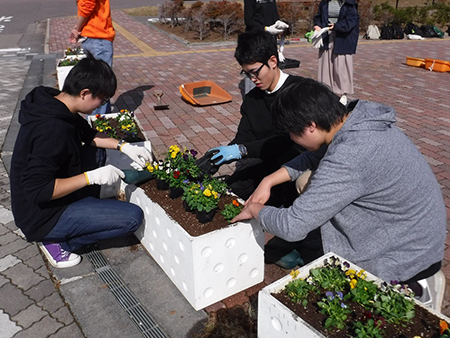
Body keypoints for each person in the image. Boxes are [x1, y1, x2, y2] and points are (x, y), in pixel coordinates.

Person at [232, 78, 446, 286]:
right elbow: (314, 155)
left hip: (407, 256)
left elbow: (292, 226)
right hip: (412, 228)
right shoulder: (353, 120)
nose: (291, 138)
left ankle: (415, 289)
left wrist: (255, 209)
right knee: (309, 184)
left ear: (311, 126)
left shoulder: (351, 154)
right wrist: (268, 181)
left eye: (291, 132)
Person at [10, 53, 152, 268]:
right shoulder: (52, 131)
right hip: (42, 214)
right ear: (85, 93)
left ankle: (84, 207)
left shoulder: (56, 103)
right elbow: (39, 190)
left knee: (98, 153)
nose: (101, 105)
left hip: (53, 189)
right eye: (101, 99)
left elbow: (89, 136)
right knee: (132, 218)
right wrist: (91, 177)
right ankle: (55, 241)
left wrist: (124, 146)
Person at [199, 30, 303, 208]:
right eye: (247, 74)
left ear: (272, 61)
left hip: (295, 165)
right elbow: (244, 136)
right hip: (264, 160)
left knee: (280, 204)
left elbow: (285, 139)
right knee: (229, 192)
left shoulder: (298, 91)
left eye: (255, 72)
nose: (253, 79)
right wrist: (222, 155)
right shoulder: (253, 98)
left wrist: (242, 150)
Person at [69, 0, 115, 115]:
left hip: (96, 36)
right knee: (99, 83)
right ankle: (99, 122)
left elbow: (87, 5)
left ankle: (96, 124)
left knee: (99, 84)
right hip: (97, 37)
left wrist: (77, 29)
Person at [313, 0, 359, 105]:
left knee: (341, 66)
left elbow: (351, 21)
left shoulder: (350, 4)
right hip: (326, 36)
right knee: (325, 65)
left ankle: (343, 93)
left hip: (343, 38)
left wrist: (337, 26)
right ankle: (326, 91)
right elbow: (319, 16)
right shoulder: (324, 2)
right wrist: (317, 25)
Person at [243, 0, 289, 95]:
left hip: (270, 39)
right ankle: (253, 101)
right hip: (255, 39)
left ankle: (272, 97)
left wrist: (278, 23)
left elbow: (274, 15)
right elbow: (248, 20)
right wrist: (265, 29)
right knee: (256, 70)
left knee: (271, 69)